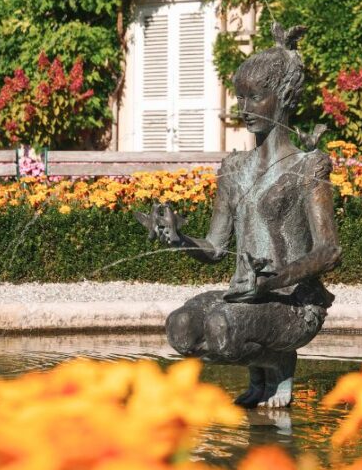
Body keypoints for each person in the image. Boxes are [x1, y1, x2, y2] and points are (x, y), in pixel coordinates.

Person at [137, 22, 341, 407]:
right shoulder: (233, 168)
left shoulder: (308, 166)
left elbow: (329, 250)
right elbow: (215, 247)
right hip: (243, 297)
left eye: (256, 97)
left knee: (221, 327)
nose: (244, 110)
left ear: (282, 96)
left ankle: (277, 364)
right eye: (240, 98)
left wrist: (271, 281)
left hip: (293, 303)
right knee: (181, 328)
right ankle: (263, 369)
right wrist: (178, 239)